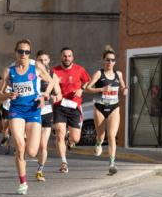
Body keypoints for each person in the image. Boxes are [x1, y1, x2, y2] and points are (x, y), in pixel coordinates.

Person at [0, 39, 54, 195]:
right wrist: (7, 94)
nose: (23, 54)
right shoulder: (9, 71)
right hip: (17, 111)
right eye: (21, 51)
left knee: (33, 152)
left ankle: (26, 140)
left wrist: (44, 96)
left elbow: (51, 82)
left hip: (34, 111)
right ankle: (23, 183)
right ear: (15, 52)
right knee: (20, 147)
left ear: (30, 53)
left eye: (27, 52)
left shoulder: (37, 67)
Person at [86, 45, 128, 175]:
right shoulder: (99, 73)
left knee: (111, 136)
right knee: (101, 135)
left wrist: (124, 90)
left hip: (114, 107)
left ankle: (111, 163)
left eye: (112, 60)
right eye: (107, 60)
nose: (110, 62)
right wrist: (101, 90)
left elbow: (123, 87)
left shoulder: (118, 74)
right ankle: (98, 143)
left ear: (115, 62)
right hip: (100, 106)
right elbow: (87, 88)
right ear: (103, 61)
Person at [52, 47, 90, 174]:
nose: (67, 58)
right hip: (60, 106)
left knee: (76, 139)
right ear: (61, 57)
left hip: (74, 106)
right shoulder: (54, 71)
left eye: (69, 56)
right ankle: (64, 162)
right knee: (59, 133)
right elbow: (50, 87)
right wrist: (52, 95)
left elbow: (87, 81)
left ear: (72, 58)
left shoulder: (80, 69)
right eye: (64, 56)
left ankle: (70, 139)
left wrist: (82, 89)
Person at [35, 50, 61, 182]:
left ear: (49, 60)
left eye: (45, 60)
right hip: (32, 112)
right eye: (40, 60)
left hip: (46, 112)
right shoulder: (32, 74)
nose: (43, 62)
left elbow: (59, 94)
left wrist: (54, 96)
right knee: (32, 147)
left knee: (43, 145)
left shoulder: (52, 76)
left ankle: (40, 170)